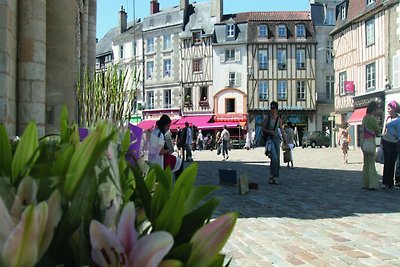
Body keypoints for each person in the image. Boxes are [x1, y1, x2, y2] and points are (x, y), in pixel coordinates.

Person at [262, 101, 287, 185]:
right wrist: (270, 131)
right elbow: (263, 128)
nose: (272, 110)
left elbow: (282, 131)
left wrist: (285, 141)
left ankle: (275, 176)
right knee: (274, 158)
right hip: (270, 140)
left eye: (273, 108)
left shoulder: (278, 119)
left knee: (277, 159)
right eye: (271, 108)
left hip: (276, 140)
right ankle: (272, 175)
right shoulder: (267, 118)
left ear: (276, 109)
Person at [361, 101, 381, 190]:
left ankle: (365, 183)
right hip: (371, 142)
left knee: (366, 163)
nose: (377, 111)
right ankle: (372, 184)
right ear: (374, 109)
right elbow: (378, 131)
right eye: (376, 109)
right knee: (371, 164)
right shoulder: (372, 119)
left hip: (364, 142)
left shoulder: (364, 118)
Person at [381, 101, 400, 189]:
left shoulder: (398, 119)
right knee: (387, 161)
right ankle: (385, 182)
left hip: (395, 142)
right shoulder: (387, 118)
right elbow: (384, 130)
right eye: (387, 108)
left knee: (393, 162)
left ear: (394, 109)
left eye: (389, 108)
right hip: (386, 141)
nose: (388, 110)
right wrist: (381, 141)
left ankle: (390, 182)